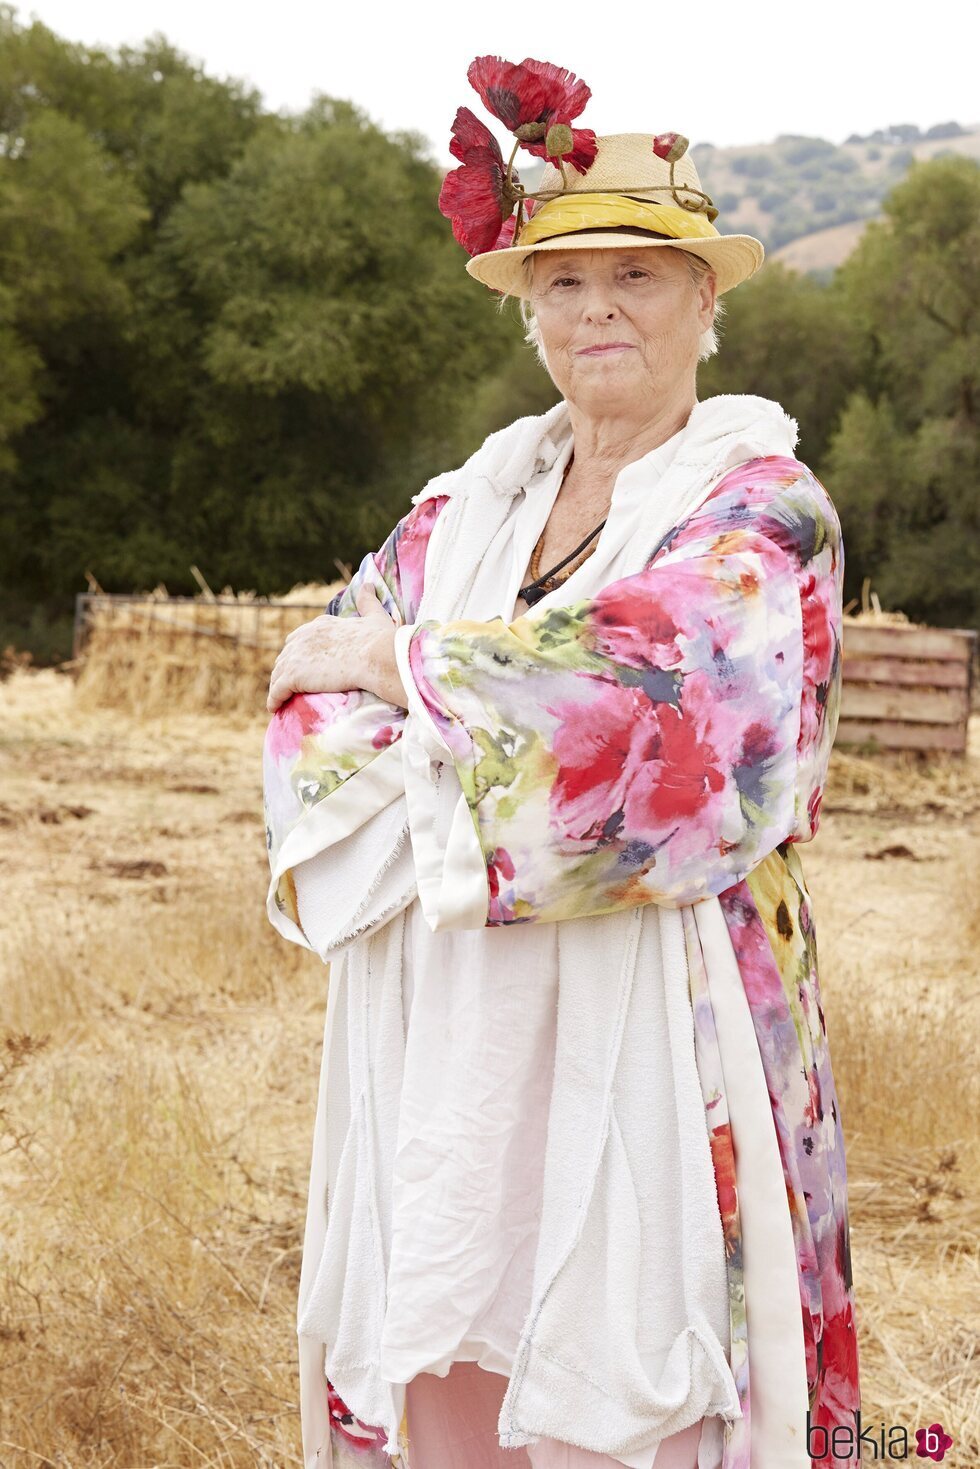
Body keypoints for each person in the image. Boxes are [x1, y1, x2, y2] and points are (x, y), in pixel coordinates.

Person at [262, 60, 861, 1469]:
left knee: (653, 1376)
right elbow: (304, 708)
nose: (599, 309)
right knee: (463, 1325)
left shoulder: (763, 507)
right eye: (565, 280)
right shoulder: (458, 512)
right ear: (530, 308)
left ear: (707, 301)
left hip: (673, 1008)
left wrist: (412, 676)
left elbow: (675, 708)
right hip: (455, 1022)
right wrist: (461, 721)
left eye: (639, 277)